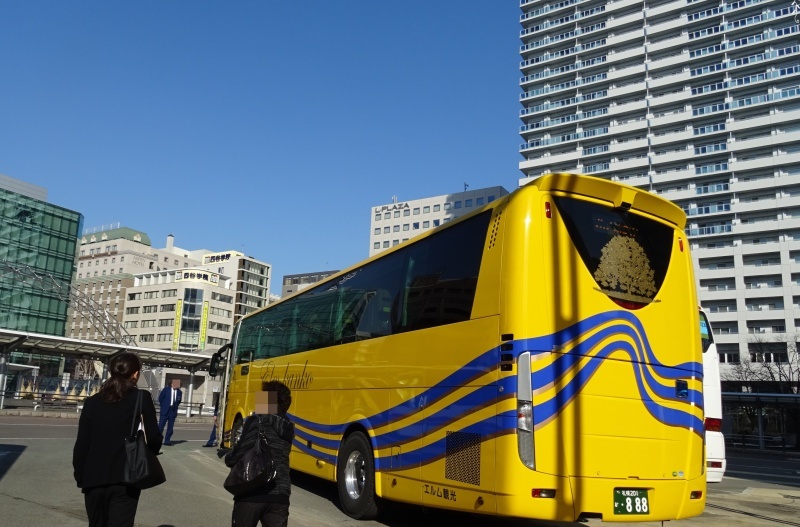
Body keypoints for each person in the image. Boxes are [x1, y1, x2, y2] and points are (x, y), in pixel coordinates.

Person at [72, 352, 162, 527]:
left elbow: (82, 444)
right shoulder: (141, 398)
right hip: (126, 477)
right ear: (135, 374)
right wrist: (150, 453)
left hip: (93, 478)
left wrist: (81, 476)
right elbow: (154, 437)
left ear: (112, 371)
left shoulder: (91, 402)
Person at [225, 381, 294, 527]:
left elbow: (241, 450)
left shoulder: (257, 420)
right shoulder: (288, 425)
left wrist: (229, 458)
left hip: (252, 490)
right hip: (280, 495)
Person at [158, 379, 182, 445]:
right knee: (160, 426)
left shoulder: (179, 392)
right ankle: (157, 440)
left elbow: (179, 401)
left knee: (170, 427)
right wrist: (163, 406)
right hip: (165, 410)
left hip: (173, 411)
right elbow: (160, 398)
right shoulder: (166, 390)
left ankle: (167, 441)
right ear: (171, 384)